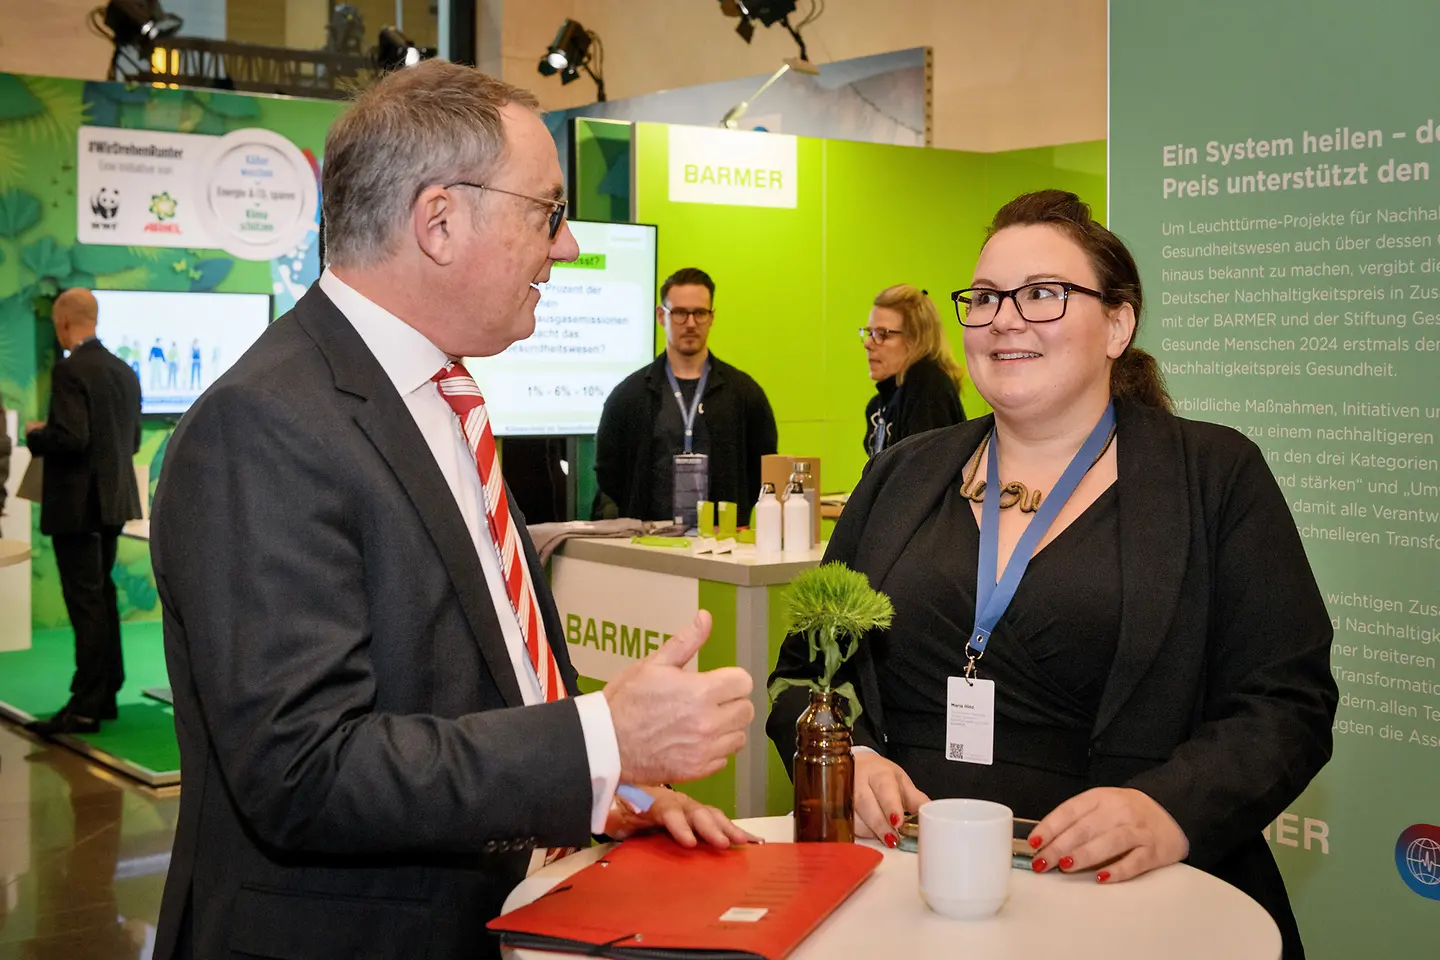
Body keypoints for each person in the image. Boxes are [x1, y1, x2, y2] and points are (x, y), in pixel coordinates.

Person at [149, 62, 758, 960]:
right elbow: (304, 769)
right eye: (547, 212)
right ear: (439, 221)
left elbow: (463, 674)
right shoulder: (264, 424)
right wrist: (598, 741)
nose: (568, 248)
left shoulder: (436, 393)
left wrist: (603, 786)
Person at [768, 190, 1335, 959]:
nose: (1005, 318)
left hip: (1124, 904)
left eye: (1042, 295)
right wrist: (851, 754)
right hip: (903, 895)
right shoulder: (902, 475)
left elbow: (1286, 704)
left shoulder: (1213, 475)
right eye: (987, 298)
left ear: (1118, 324)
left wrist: (1168, 809)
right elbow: (802, 674)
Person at [24, 288, 143, 735]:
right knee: (101, 596)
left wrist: (38, 435)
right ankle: (107, 690)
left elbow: (71, 438)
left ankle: (86, 705)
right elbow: (128, 442)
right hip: (112, 504)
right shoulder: (124, 371)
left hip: (77, 506)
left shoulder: (71, 371)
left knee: (86, 602)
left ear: (65, 321)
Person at [595, 267, 778, 524]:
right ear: (661, 316)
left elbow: (763, 466)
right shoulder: (628, 395)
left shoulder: (744, 394)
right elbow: (608, 472)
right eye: (680, 313)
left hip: (725, 544)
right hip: (648, 542)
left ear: (712, 317)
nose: (691, 323)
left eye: (700, 313)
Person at [861, 284, 966, 457]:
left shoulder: (927, 383)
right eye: (869, 332)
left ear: (916, 340)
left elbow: (926, 476)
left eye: (883, 334)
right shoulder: (877, 406)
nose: (867, 343)